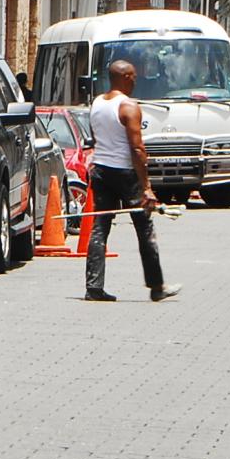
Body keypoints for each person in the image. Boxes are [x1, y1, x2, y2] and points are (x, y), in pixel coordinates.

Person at [83, 59, 176, 303]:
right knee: (144, 227)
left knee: (100, 227)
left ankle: (94, 286)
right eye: (133, 76)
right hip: (124, 172)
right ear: (124, 78)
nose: (136, 80)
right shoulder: (128, 106)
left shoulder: (97, 104)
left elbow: (96, 137)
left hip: (101, 170)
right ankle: (156, 286)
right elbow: (137, 149)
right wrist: (146, 187)